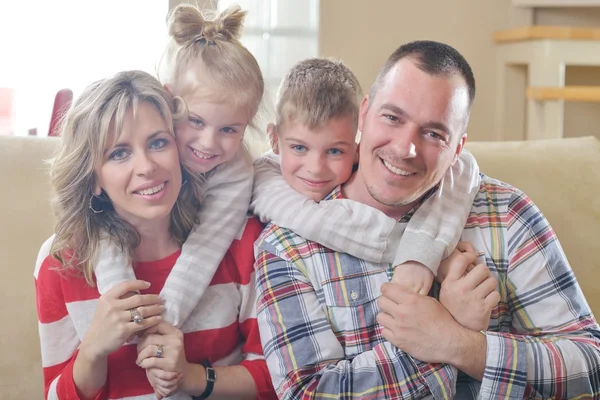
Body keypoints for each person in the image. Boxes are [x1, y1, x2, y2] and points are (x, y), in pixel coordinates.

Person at [254, 40, 600, 399]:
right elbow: (307, 393)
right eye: (392, 118)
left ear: (458, 148)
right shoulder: (287, 247)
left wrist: (463, 345)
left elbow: (591, 366)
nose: (405, 149)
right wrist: (440, 337)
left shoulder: (506, 215)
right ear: (364, 113)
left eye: (434, 133)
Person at [35, 70, 275, 399]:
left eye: (157, 142)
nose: (146, 166)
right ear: (94, 178)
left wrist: (190, 376)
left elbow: (277, 378)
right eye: (118, 153)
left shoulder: (244, 241)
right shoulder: (59, 260)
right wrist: (92, 352)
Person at [92, 3, 264, 329]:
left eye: (229, 130)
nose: (209, 143)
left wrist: (161, 324)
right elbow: (105, 221)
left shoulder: (236, 171)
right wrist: (124, 308)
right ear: (170, 101)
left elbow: (205, 247)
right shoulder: (148, 154)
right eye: (195, 121)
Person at [251, 57, 481, 294]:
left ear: (357, 144)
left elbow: (462, 164)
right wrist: (424, 256)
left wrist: (423, 252)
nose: (316, 167)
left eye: (334, 151)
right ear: (274, 139)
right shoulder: (264, 183)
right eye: (299, 148)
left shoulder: (369, 164)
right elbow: (321, 224)